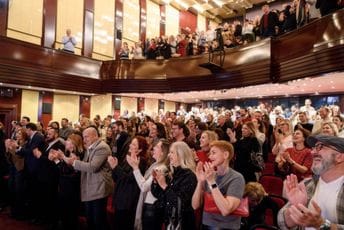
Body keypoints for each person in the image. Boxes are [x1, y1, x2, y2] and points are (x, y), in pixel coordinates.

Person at [277, 134, 344, 229]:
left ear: (339, 157)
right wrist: (297, 207)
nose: (312, 152)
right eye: (313, 148)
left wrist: (321, 224)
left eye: (320, 147)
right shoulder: (307, 184)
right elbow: (282, 222)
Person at [63, 126, 113, 230]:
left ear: (95, 136)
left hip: (99, 188)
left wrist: (75, 162)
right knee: (91, 219)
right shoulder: (91, 147)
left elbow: (93, 167)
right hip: (91, 188)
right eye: (84, 137)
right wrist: (77, 161)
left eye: (87, 137)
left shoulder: (102, 147)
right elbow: (86, 164)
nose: (84, 140)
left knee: (98, 220)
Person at [192, 140, 245, 230]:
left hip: (226, 227)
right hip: (206, 224)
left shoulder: (237, 178)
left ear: (225, 155)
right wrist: (200, 181)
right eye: (210, 153)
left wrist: (212, 182)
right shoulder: (211, 175)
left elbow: (226, 210)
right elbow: (195, 205)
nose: (210, 156)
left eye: (213, 153)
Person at [151, 141, 197, 229]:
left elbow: (180, 202)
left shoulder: (189, 176)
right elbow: (159, 195)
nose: (168, 155)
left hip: (182, 223)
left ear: (181, 155)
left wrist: (164, 185)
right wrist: (156, 182)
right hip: (168, 221)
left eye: (172, 152)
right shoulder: (171, 173)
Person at [108, 136, 150, 230]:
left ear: (140, 149)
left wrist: (116, 167)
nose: (130, 145)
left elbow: (129, 179)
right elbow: (118, 178)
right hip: (120, 196)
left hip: (128, 200)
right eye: (131, 143)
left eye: (134, 144)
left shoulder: (140, 161)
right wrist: (113, 167)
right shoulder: (127, 157)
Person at [127, 139, 170, 230]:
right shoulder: (155, 164)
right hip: (149, 205)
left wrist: (135, 168)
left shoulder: (161, 168)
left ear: (163, 152)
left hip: (152, 207)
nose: (153, 148)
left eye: (157, 147)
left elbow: (144, 187)